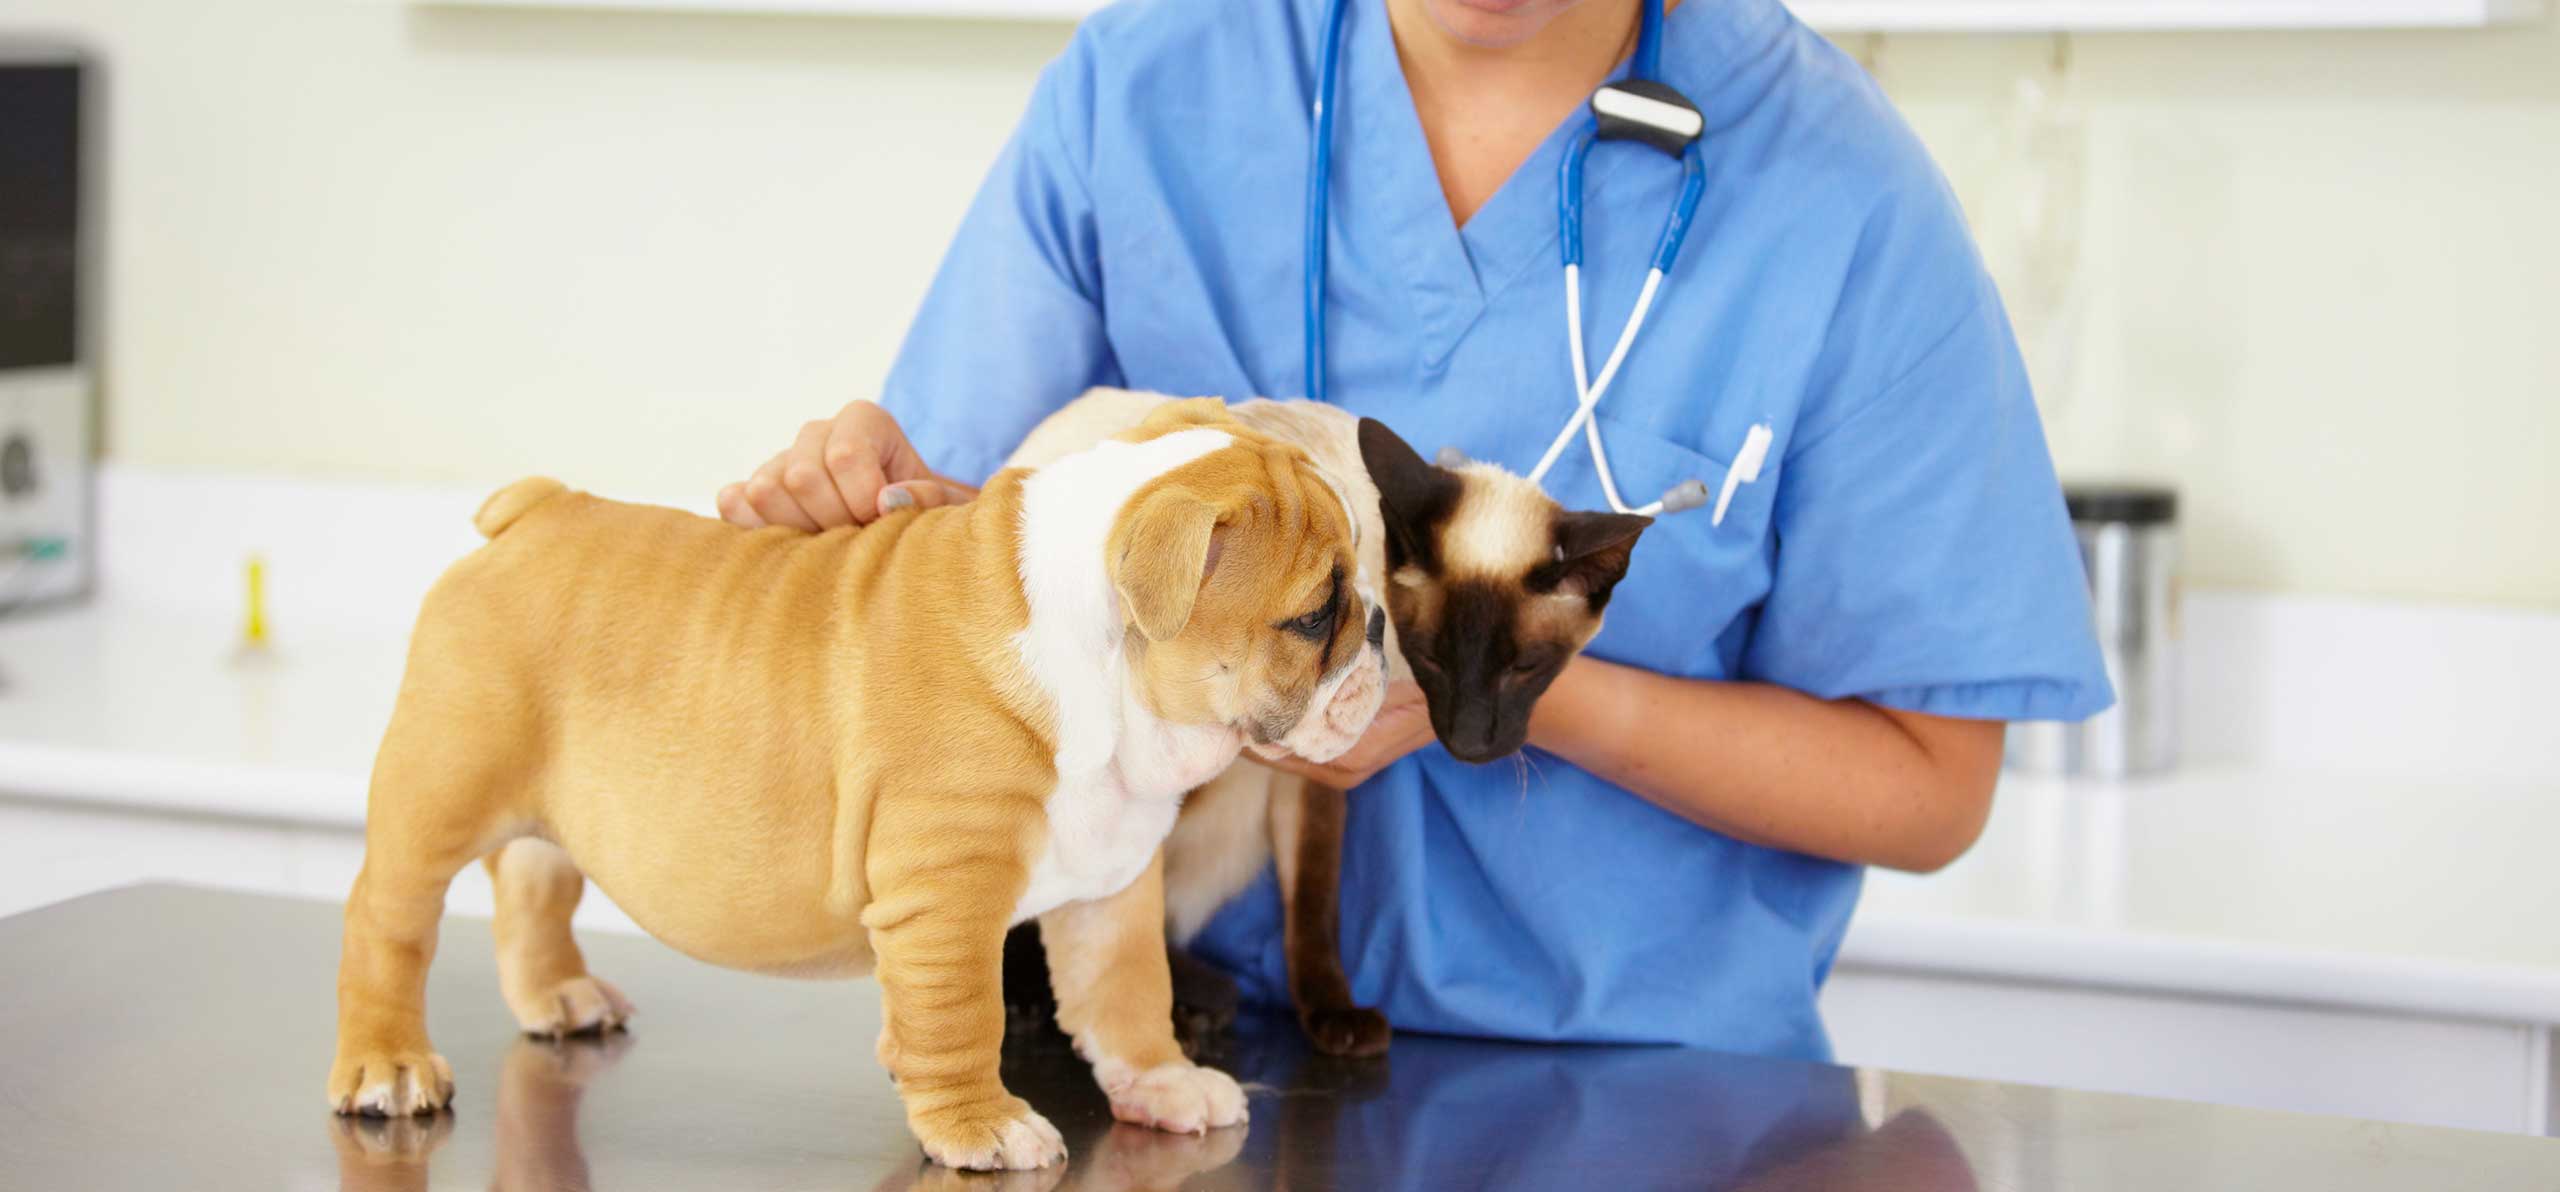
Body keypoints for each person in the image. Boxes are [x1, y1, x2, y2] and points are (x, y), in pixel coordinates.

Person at [718, 0, 2109, 1060]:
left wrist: (1493, 688)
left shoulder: (1840, 198)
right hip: (1150, 1043)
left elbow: (1931, 785)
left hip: (1644, 1101)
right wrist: (865, 518)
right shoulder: (1153, 87)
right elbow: (969, 567)